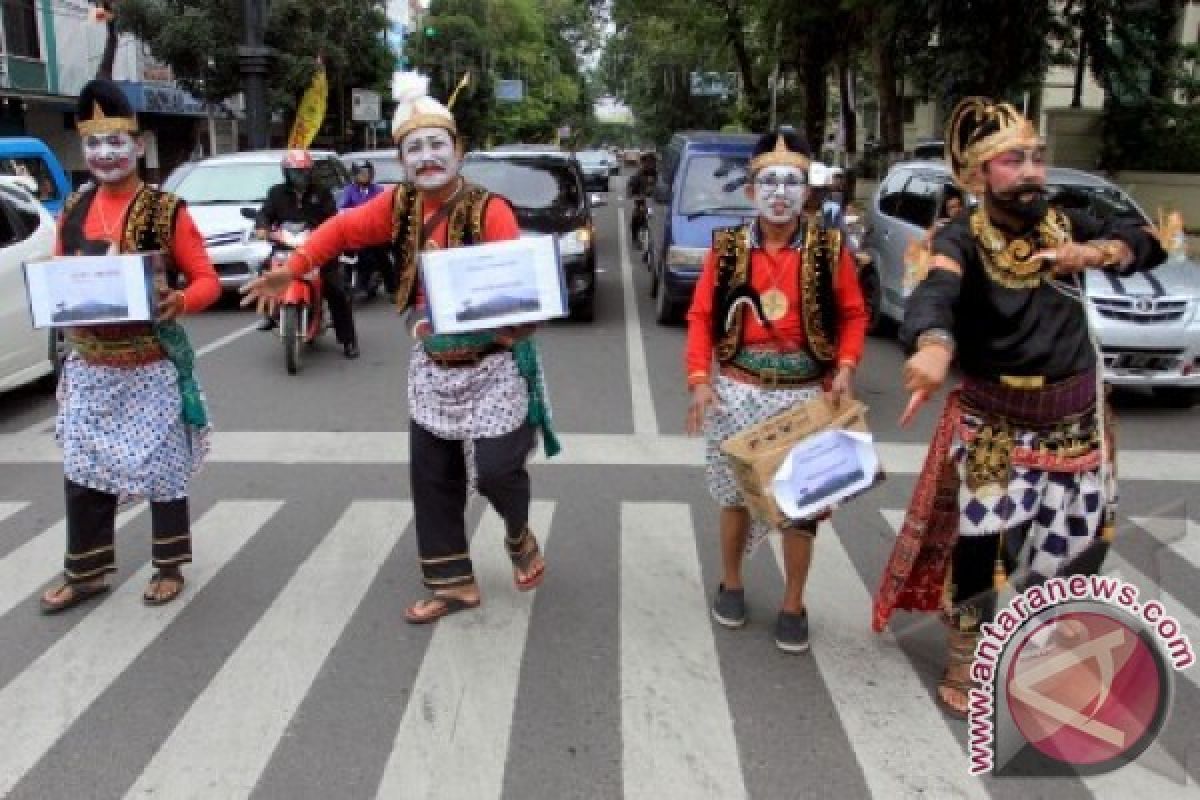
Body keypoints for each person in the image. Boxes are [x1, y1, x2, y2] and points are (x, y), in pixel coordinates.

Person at [871, 97, 1167, 716]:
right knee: (986, 549)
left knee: (1077, 549)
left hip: (1076, 421)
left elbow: (1148, 242)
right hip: (996, 429)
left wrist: (1096, 253)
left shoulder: (1066, 222)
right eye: (1014, 160)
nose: (1033, 171)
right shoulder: (959, 238)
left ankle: (1051, 653)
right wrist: (931, 346)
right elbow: (935, 292)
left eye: (1037, 157)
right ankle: (968, 651)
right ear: (980, 176)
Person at [241, 72, 559, 624]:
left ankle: (516, 532)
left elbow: (512, 285)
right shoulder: (397, 206)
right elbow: (337, 233)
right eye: (415, 148)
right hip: (433, 365)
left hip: (494, 364)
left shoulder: (492, 211)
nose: (428, 156)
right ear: (402, 159)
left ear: (459, 150)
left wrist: (514, 317)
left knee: (499, 471)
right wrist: (290, 268)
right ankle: (453, 582)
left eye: (438, 144)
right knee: (434, 479)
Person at [38, 76, 220, 613]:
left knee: (163, 467)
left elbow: (206, 278)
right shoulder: (71, 210)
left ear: (139, 145)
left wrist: (180, 303)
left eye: (116, 141)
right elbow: (58, 275)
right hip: (91, 366)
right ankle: (86, 571)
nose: (104, 153)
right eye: (93, 142)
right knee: (82, 467)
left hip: (149, 365)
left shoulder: (167, 210)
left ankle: (168, 565)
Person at [685, 129, 868, 654]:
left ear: (807, 192)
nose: (781, 193)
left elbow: (854, 315)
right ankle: (733, 583)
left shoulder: (830, 250)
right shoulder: (725, 249)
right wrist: (700, 380)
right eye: (769, 182)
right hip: (736, 389)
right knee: (733, 498)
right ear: (751, 192)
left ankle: (793, 601)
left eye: (792, 182)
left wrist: (847, 365)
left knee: (800, 505)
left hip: (803, 393)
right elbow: (700, 318)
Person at [254, 150, 360, 359]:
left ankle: (348, 340)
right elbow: (265, 213)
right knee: (265, 274)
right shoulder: (276, 193)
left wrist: (326, 233)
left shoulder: (322, 193)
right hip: (287, 249)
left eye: (303, 172)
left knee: (336, 289)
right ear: (286, 173)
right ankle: (269, 315)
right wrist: (262, 227)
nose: (299, 177)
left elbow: (332, 219)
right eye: (295, 173)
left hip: (318, 250)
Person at [339, 159, 395, 301]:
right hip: (355, 231)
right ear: (355, 175)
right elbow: (341, 208)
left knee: (382, 257)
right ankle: (345, 285)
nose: (365, 176)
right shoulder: (349, 190)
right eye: (361, 173)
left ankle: (393, 289)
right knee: (344, 256)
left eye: (367, 173)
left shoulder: (378, 190)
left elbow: (386, 207)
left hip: (374, 233)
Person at [627, 151, 657, 243]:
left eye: (652, 162)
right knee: (637, 216)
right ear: (643, 163)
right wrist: (632, 195)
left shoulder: (658, 175)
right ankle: (635, 237)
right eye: (647, 162)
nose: (650, 165)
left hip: (656, 202)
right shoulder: (638, 175)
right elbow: (630, 186)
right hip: (642, 202)